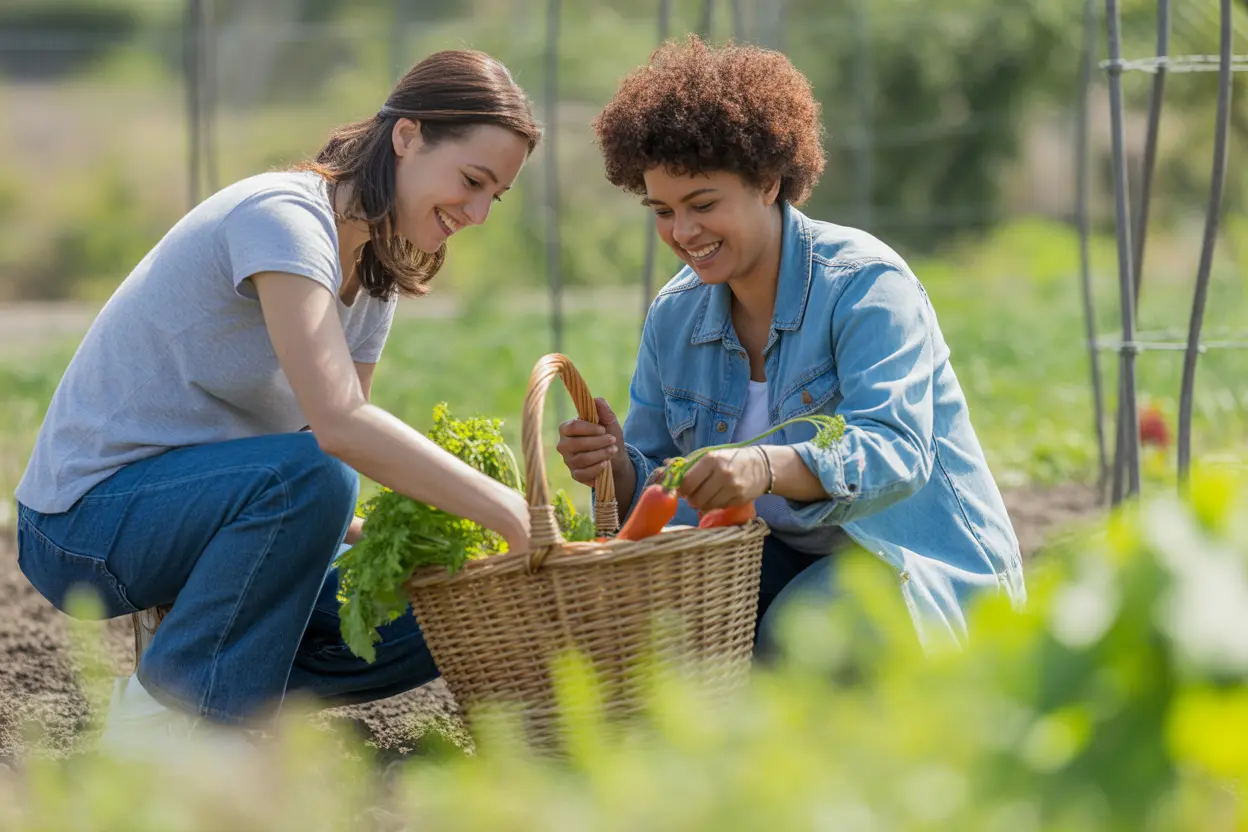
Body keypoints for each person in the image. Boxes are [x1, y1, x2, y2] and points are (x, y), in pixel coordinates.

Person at [14, 50, 540, 751]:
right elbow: (338, 428)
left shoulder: (375, 273)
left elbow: (330, 464)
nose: (477, 213)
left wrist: (406, 545)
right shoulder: (284, 218)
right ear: (407, 136)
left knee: (430, 609)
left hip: (200, 515)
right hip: (83, 525)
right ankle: (162, 723)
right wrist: (505, 508)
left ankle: (213, 696)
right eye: (471, 181)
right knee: (317, 473)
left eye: (493, 197)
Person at [557, 37, 1025, 655]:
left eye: (703, 204)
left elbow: (896, 453)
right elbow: (664, 486)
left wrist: (763, 467)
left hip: (915, 570)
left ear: (769, 181)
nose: (683, 232)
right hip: (774, 558)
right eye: (663, 211)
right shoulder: (675, 316)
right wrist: (617, 467)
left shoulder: (865, 286)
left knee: (798, 638)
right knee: (651, 640)